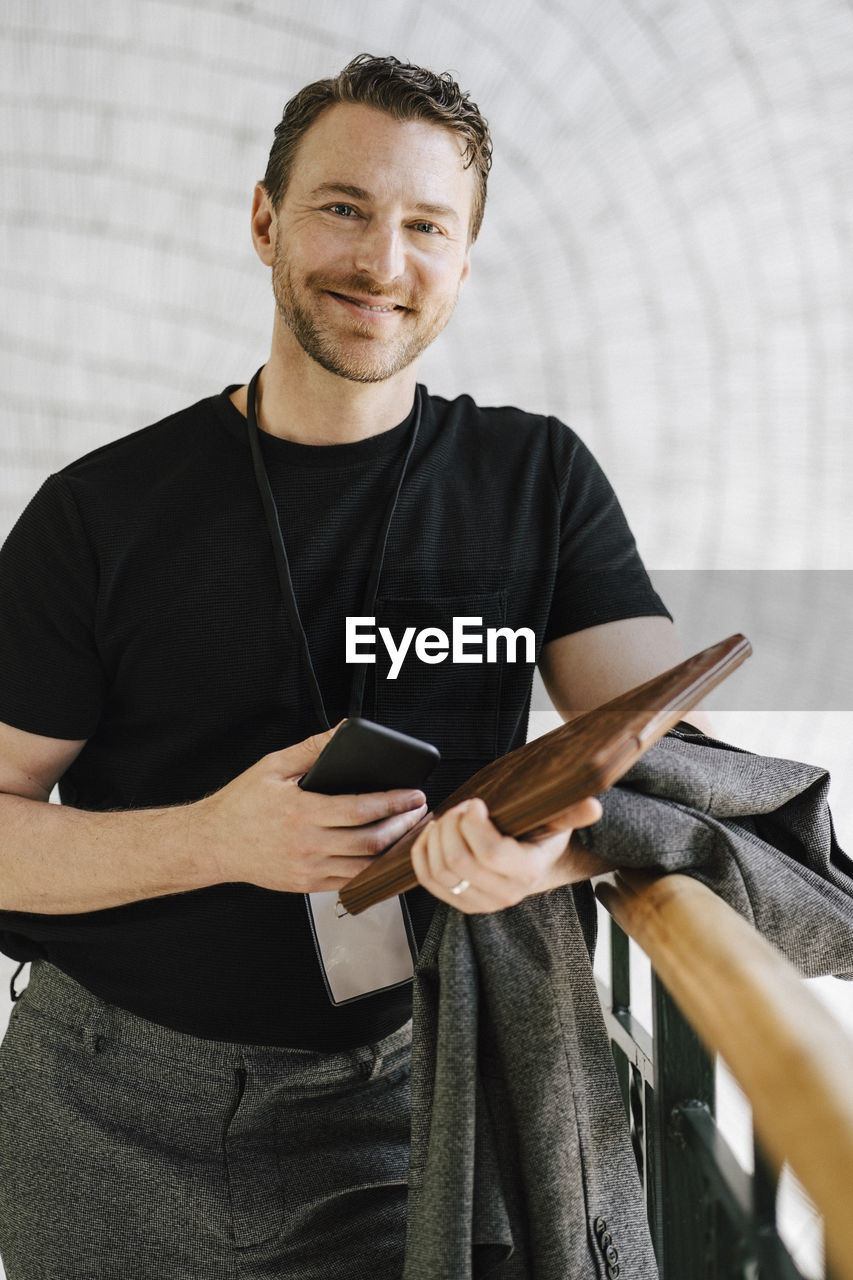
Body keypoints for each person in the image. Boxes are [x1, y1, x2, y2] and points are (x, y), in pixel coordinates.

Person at [0, 54, 700, 1279]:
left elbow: (661, 755)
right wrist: (215, 838)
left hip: (402, 1097)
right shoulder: (98, 509)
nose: (382, 261)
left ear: (464, 262)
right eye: (343, 208)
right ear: (265, 219)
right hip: (104, 1102)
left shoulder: (534, 481)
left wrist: (558, 850)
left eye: (426, 225)